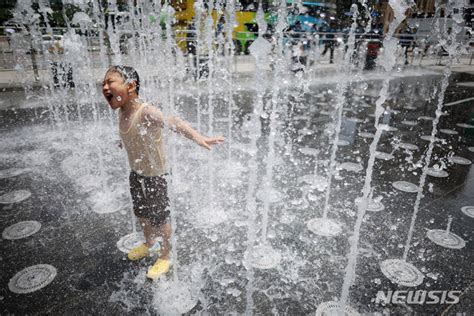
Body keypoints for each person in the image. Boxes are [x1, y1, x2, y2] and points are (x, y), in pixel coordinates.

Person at [102, 65, 224, 280]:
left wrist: (199, 137)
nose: (104, 87)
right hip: (136, 173)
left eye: (110, 82)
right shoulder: (122, 111)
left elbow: (173, 122)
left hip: (155, 176)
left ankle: (166, 255)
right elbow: (131, 133)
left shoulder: (145, 111)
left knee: (159, 217)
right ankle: (150, 243)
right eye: (103, 83)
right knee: (141, 212)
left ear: (130, 86)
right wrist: (123, 142)